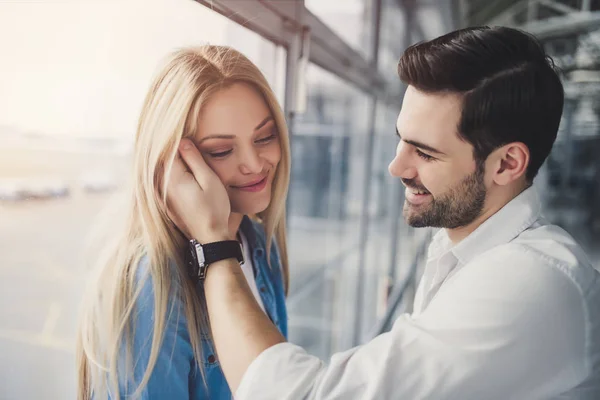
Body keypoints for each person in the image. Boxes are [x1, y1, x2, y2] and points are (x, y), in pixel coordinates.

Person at [167, 26, 600, 399]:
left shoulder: (529, 284)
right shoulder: (461, 246)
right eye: (402, 139)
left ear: (506, 164)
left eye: (425, 154)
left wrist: (215, 245)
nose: (397, 167)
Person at [75, 45, 291, 400]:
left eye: (264, 137)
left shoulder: (258, 244)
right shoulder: (150, 284)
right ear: (173, 166)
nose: (254, 164)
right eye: (221, 150)